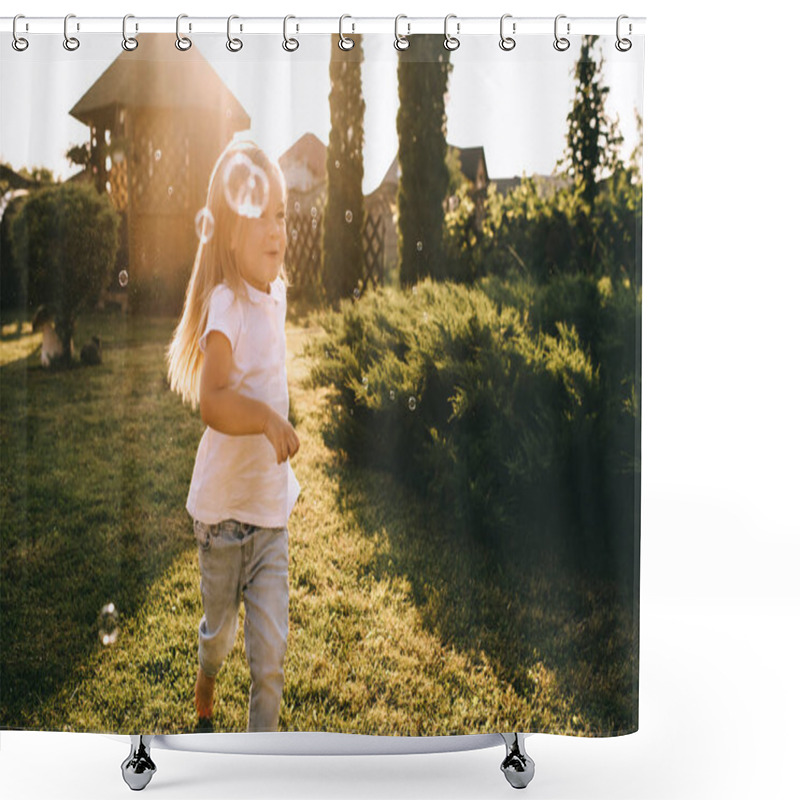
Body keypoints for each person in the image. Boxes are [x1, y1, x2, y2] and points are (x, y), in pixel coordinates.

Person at [166, 139, 300, 732]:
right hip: (221, 523)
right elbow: (213, 400)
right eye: (261, 216)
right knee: (219, 634)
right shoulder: (226, 305)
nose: (276, 230)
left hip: (269, 518)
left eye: (282, 216)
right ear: (228, 233)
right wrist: (267, 419)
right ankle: (206, 672)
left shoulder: (277, 292)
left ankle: (259, 762)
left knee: (269, 660)